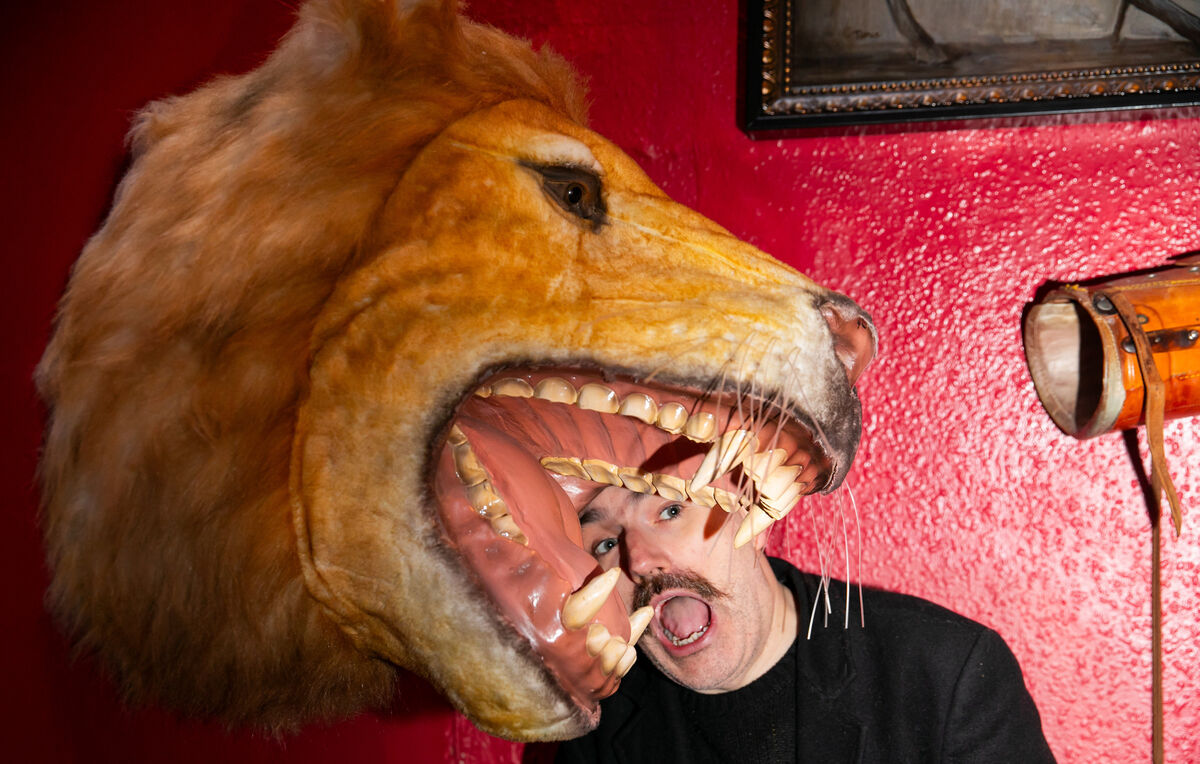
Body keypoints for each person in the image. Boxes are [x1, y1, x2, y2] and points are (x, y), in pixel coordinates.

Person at [554, 486, 1056, 763]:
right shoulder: (597, 719)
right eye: (603, 543)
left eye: (668, 510)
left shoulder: (946, 673)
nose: (637, 560)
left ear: (752, 511)